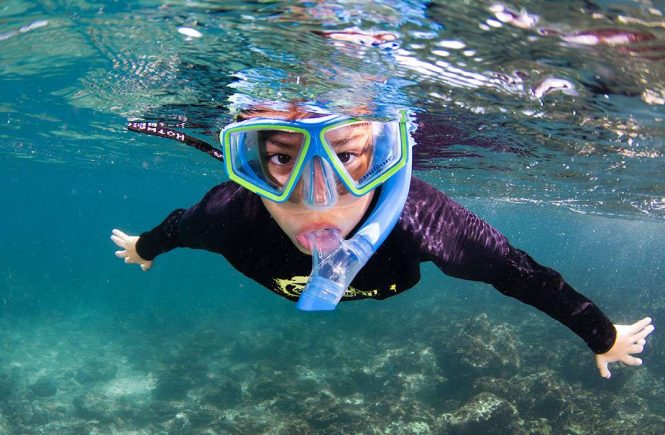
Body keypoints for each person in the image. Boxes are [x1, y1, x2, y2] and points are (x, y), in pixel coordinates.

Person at [112, 103, 653, 379]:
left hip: (393, 278)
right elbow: (177, 226)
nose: (317, 198)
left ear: (386, 152)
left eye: (345, 155)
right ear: (253, 161)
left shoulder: (422, 219)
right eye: (281, 157)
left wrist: (600, 334)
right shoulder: (230, 213)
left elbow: (518, 273)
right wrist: (144, 247)